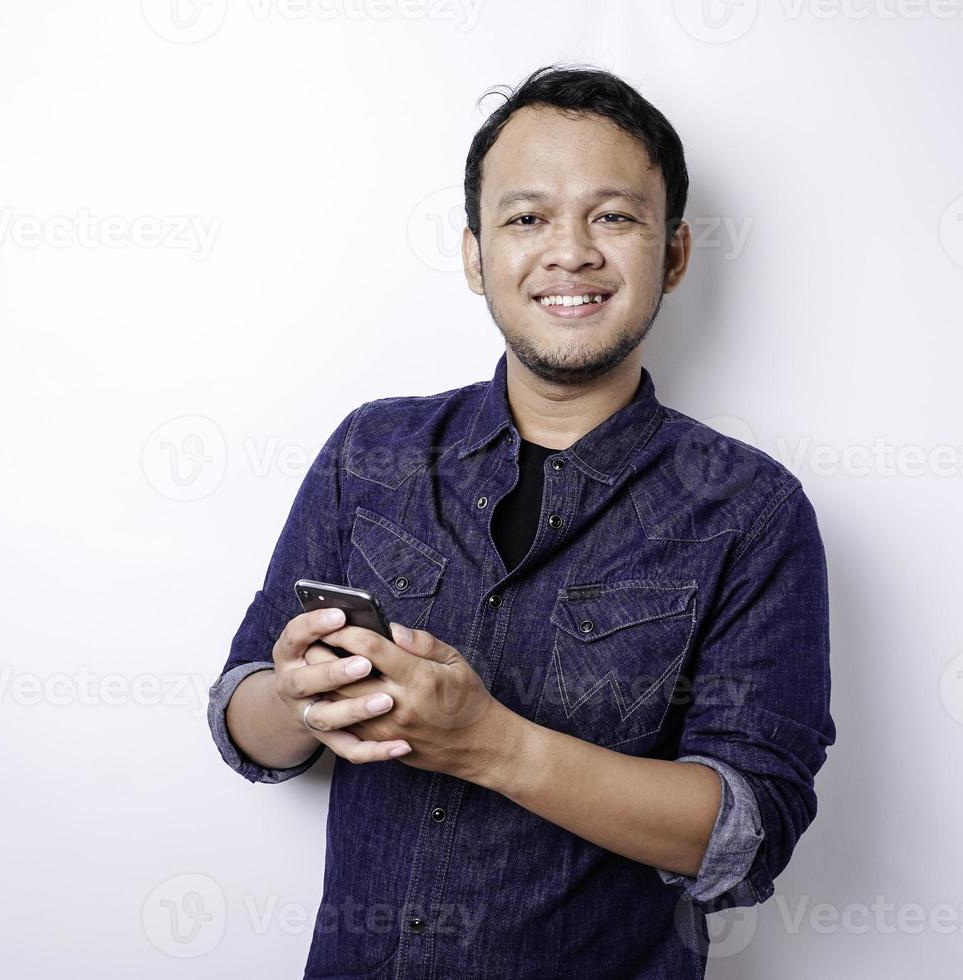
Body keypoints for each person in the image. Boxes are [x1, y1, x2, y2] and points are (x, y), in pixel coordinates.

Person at [205, 63, 835, 979]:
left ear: (675, 254)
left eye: (614, 217)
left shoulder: (751, 511)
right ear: (475, 254)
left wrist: (494, 744)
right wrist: (298, 702)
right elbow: (243, 721)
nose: (569, 251)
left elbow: (747, 835)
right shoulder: (370, 450)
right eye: (526, 217)